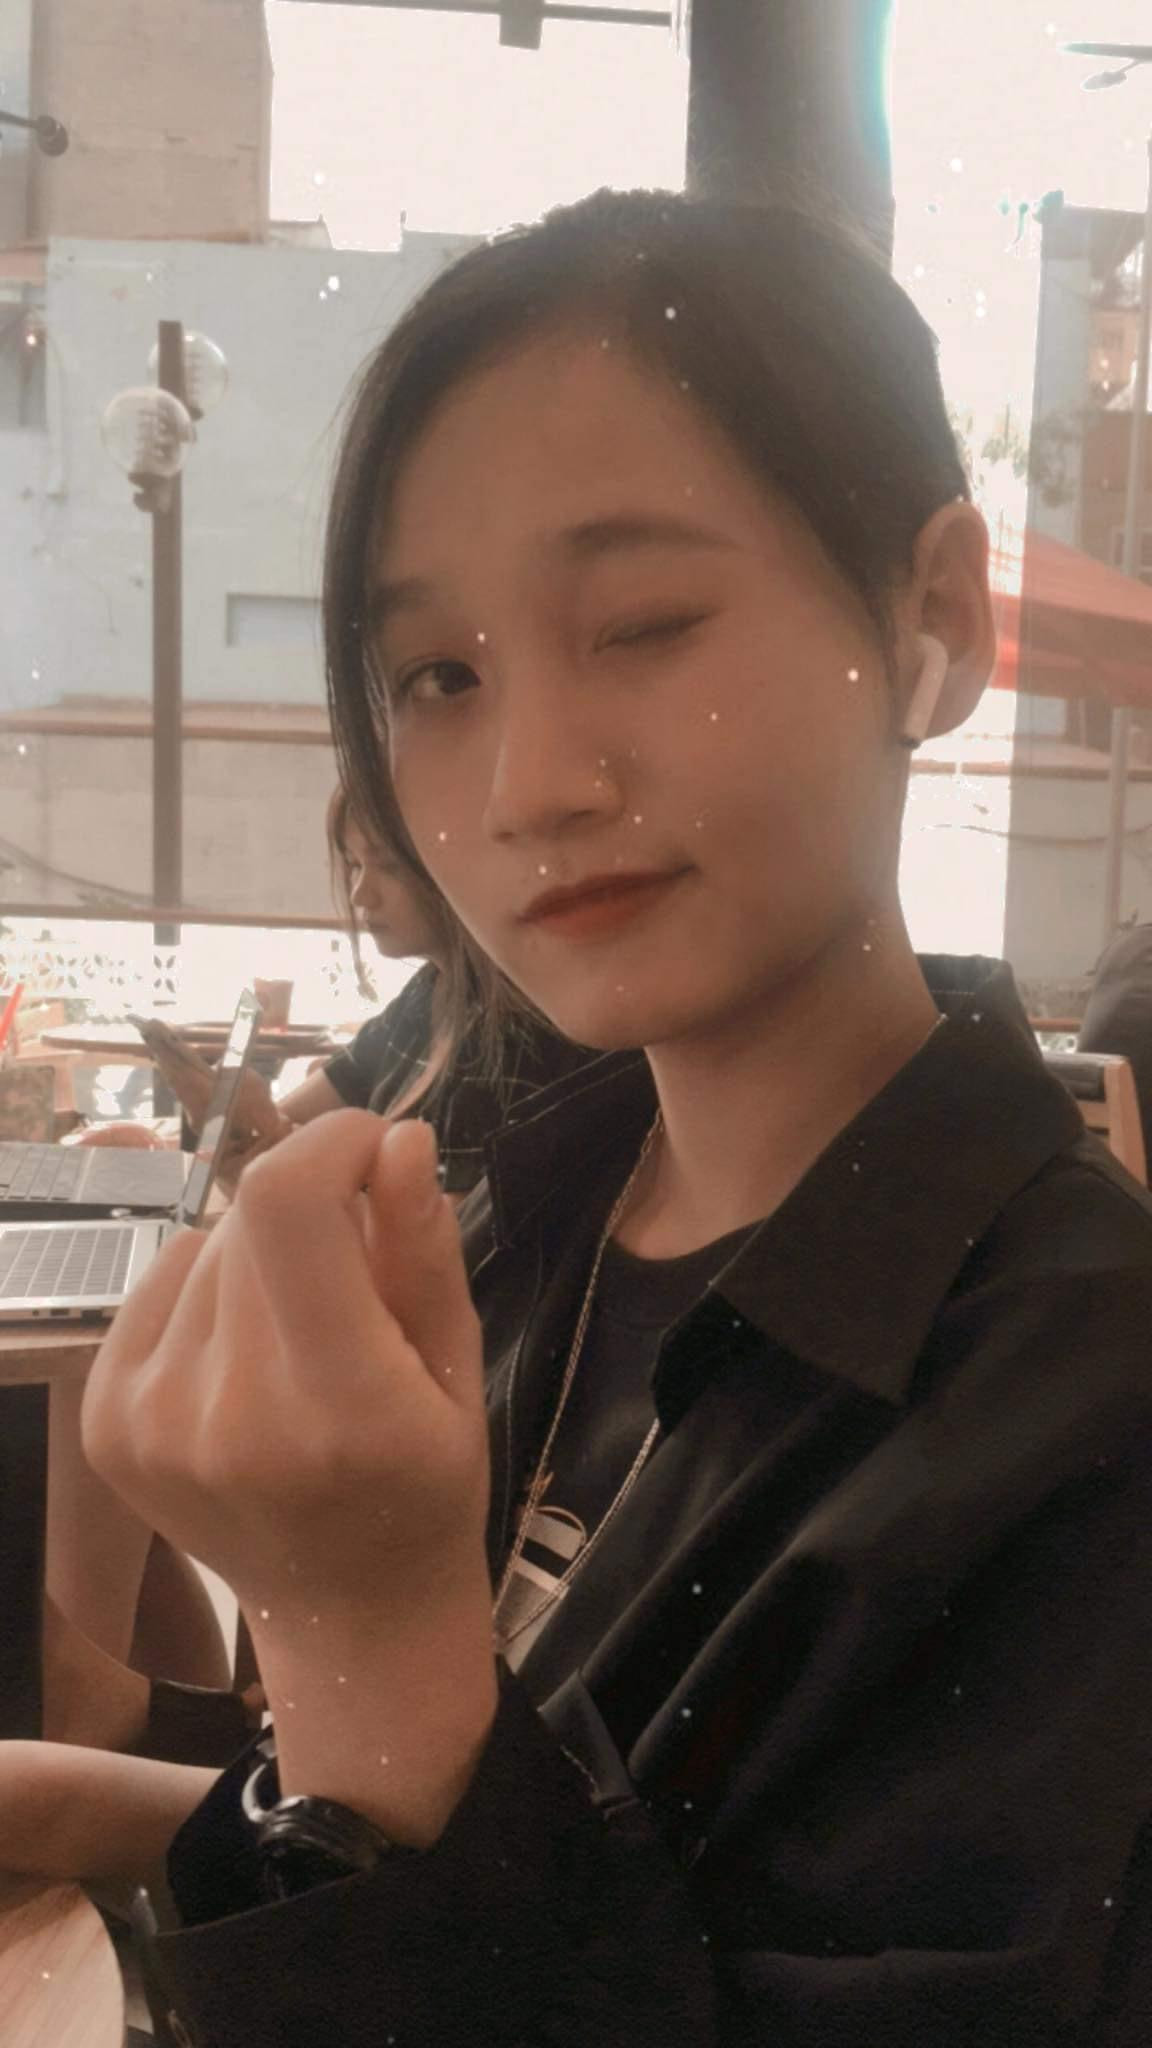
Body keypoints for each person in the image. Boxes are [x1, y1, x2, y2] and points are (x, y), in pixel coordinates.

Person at [6, 188, 1152, 2045]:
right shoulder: (536, 1208)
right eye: (439, 678)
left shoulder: (1083, 1396)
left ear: (934, 618)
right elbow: (569, 1845)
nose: (529, 783)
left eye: (643, 623)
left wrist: (354, 1628)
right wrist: (89, 1805)